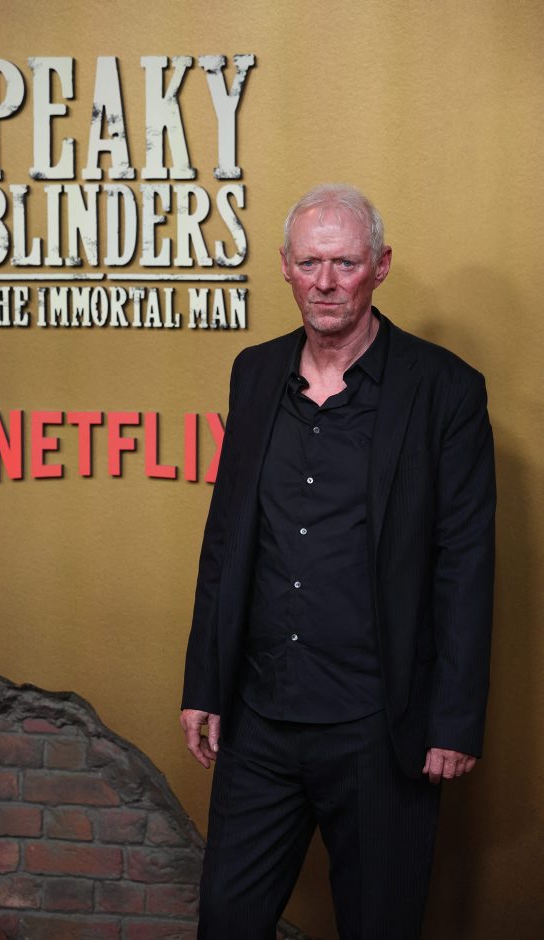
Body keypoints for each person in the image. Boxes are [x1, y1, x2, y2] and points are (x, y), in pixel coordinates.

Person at [180, 183, 495, 940]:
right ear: (285, 267)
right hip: (260, 719)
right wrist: (205, 684)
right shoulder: (255, 372)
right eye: (310, 263)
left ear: (379, 267)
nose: (325, 282)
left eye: (345, 263)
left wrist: (454, 721)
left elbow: (465, 563)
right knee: (226, 920)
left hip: (381, 728)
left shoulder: (444, 389)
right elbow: (226, 538)